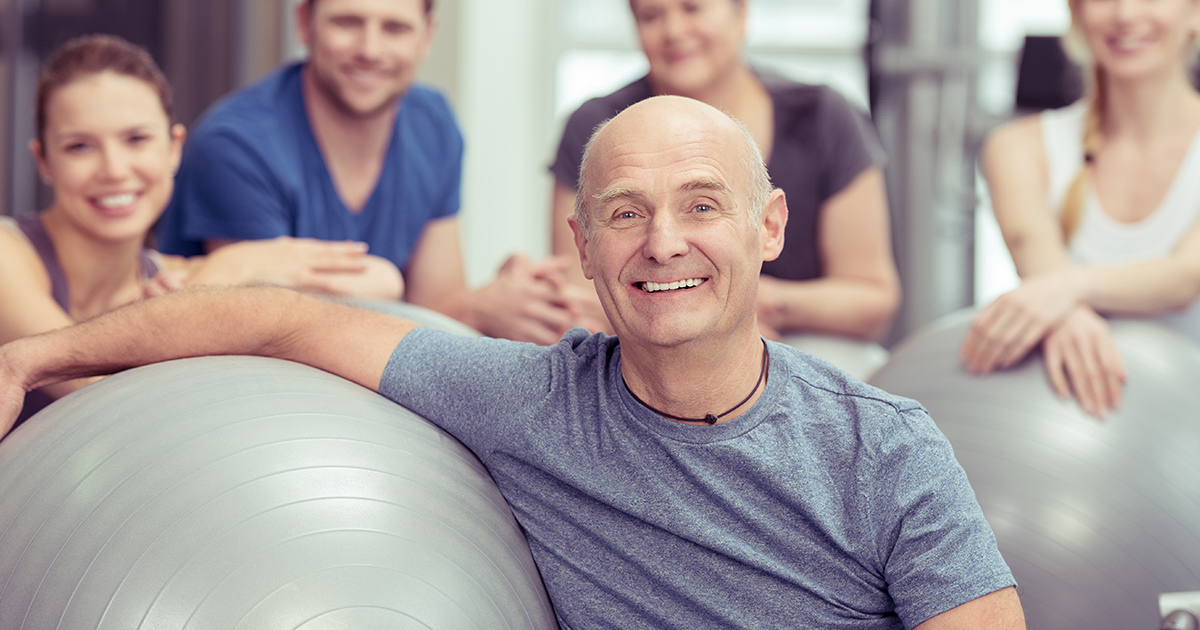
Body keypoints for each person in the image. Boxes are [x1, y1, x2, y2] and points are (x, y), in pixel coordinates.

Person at [0, 96, 1025, 629]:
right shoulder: (524, 400)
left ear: (769, 228)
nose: (662, 242)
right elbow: (282, 322)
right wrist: (32, 357)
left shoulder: (884, 450)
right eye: (625, 214)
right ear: (581, 248)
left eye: (700, 206)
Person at [0, 34, 404, 431]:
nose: (114, 169)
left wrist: (239, 263)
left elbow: (382, 281)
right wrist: (208, 293)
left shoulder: (179, 277)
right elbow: (103, 399)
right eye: (79, 147)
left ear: (174, 148)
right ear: (44, 161)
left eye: (136, 139)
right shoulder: (8, 255)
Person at [155, 0, 580, 345]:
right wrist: (472, 311)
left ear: (427, 36)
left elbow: (435, 305)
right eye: (347, 22)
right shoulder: (235, 144)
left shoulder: (432, 123)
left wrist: (501, 299)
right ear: (305, 23)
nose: (370, 50)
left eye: (395, 28)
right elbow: (273, 334)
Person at [549, 0, 901, 352]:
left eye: (693, 8)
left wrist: (746, 304)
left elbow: (872, 299)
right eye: (651, 16)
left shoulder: (824, 117)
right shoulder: (595, 129)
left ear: (741, 13)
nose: (673, 31)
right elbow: (577, 293)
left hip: (799, 344)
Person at [961, 0, 1200, 418]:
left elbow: (1185, 277)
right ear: (1077, 13)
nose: (1125, 14)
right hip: (1069, 424)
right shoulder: (1016, 148)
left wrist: (1068, 289)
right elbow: (1042, 270)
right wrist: (1061, 300)